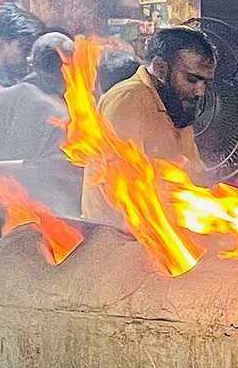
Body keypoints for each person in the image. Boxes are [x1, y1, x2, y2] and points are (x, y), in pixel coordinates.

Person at [81, 25, 215, 225]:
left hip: (168, 234)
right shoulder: (128, 101)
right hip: (121, 239)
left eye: (205, 83)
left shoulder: (176, 107)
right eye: (192, 79)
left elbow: (194, 174)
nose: (200, 92)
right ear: (161, 67)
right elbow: (120, 189)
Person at [0, 31, 79, 218]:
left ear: (30, 63)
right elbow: (64, 183)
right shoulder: (62, 118)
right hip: (36, 226)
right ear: (70, 70)